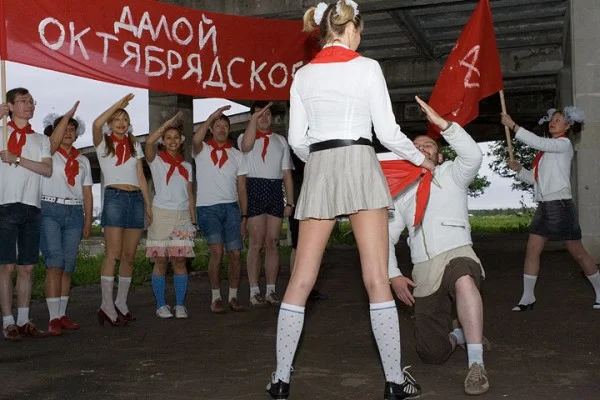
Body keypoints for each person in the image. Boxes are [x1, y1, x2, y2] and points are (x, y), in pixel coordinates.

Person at [265, 2, 435, 399]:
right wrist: (420, 159)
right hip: (360, 160)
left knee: (301, 280)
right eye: (361, 30)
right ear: (352, 29)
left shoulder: (302, 75)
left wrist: (320, 164)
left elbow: (296, 140)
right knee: (376, 278)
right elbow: (388, 133)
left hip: (320, 163)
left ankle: (280, 380)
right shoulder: (368, 67)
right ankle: (394, 381)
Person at [384, 120, 489, 395]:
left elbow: (473, 155)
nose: (421, 148)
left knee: (464, 278)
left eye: (428, 145)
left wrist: (445, 126)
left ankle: (476, 364)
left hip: (457, 250)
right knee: (431, 353)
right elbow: (386, 238)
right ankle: (460, 334)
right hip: (423, 267)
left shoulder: (452, 173)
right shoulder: (400, 192)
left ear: (439, 156)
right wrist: (393, 274)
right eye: (415, 146)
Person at [501, 108, 600, 310]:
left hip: (561, 205)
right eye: (552, 119)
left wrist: (513, 126)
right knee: (532, 250)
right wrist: (520, 170)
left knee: (578, 252)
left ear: (568, 126)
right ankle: (527, 298)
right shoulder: (546, 152)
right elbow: (535, 180)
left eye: (558, 120)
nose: (553, 122)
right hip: (544, 207)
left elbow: (539, 142)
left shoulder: (563, 145)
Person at [92, 94, 152, 326]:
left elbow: (140, 176)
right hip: (115, 198)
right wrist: (118, 105)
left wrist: (147, 204)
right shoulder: (102, 142)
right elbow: (97, 123)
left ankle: (121, 302)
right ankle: (106, 305)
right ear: (110, 123)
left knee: (129, 256)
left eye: (124, 119)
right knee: (113, 254)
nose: (121, 123)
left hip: (135, 199)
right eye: (116, 119)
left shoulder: (134, 144)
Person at [0, 88, 54, 340]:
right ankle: (7, 321)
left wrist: (18, 158)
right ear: (10, 106)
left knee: (28, 267)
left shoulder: (41, 139)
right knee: (6, 266)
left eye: (32, 101)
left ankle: (23, 319)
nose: (29, 105)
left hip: (32, 206)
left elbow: (46, 169)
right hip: (5, 204)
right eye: (22, 101)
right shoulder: (2, 132)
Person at [41, 109, 94, 336]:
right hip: (50, 209)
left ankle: (62, 314)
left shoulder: (83, 160)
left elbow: (88, 192)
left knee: (68, 264)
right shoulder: (48, 153)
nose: (69, 132)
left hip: (74, 212)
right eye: (64, 129)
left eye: (72, 129)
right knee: (55, 262)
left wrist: (88, 220)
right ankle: (52, 318)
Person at [238, 101, 294, 308]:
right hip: (254, 188)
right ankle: (254, 291)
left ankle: (271, 290)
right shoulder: (244, 137)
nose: (264, 117)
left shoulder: (280, 140)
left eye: (267, 113)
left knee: (273, 242)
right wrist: (253, 119)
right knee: (256, 243)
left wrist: (290, 202)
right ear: (252, 117)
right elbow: (246, 147)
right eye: (259, 114)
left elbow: (287, 174)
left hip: (274, 190)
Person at [194, 106, 248, 313]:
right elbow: (196, 138)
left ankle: (233, 296)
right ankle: (216, 298)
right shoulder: (202, 150)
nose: (222, 129)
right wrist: (211, 117)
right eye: (217, 126)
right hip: (208, 208)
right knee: (216, 252)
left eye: (225, 126)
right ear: (211, 129)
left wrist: (244, 216)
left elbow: (241, 188)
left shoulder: (237, 155)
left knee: (235, 253)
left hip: (232, 209)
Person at [145, 112, 195, 319]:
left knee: (180, 260)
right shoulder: (156, 161)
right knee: (161, 261)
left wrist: (193, 220)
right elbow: (148, 142)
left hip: (182, 216)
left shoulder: (187, 166)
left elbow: (190, 194)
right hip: (161, 215)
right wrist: (166, 124)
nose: (172, 141)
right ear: (163, 141)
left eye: (176, 137)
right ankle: (161, 305)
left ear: (181, 141)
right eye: (168, 138)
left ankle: (180, 304)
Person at [288, 151, 327, 300]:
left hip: (315, 200)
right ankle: (296, 286)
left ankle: (308, 287)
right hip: (300, 201)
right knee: (298, 245)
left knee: (313, 246)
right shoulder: (295, 150)